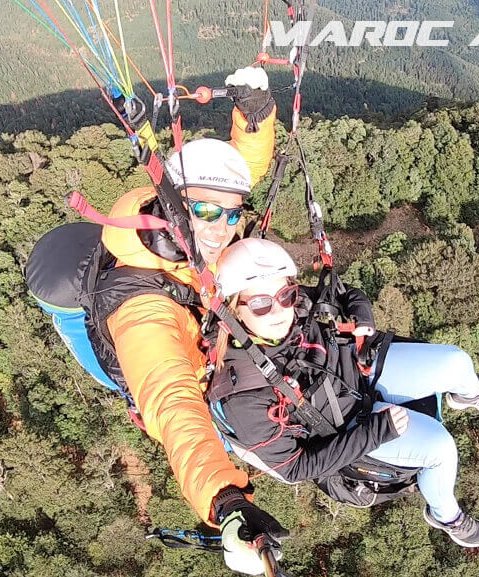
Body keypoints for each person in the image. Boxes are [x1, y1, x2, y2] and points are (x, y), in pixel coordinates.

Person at [90, 67, 288, 572]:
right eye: (207, 212)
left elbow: (236, 177)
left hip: (197, 319)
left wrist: (255, 118)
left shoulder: (187, 224)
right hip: (171, 362)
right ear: (172, 207)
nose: (223, 228)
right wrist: (225, 502)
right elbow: (174, 401)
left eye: (233, 214)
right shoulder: (142, 308)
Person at [208, 238, 479, 548]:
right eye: (260, 304)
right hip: (347, 427)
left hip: (357, 372)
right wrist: (376, 433)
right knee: (441, 450)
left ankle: (469, 395)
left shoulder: (295, 305)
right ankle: (447, 516)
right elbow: (295, 469)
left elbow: (346, 294)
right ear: (233, 310)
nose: (279, 310)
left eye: (285, 295)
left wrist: (362, 317)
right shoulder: (243, 397)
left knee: (457, 363)